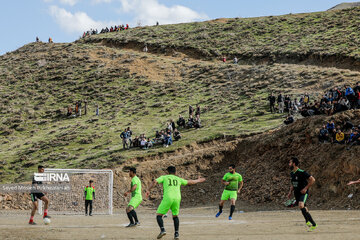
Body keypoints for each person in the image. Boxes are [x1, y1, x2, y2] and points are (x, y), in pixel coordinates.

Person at [145, 166, 205, 240]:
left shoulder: (164, 177)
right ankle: (176, 234)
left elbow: (154, 181)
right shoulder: (178, 179)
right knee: (175, 216)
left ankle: (163, 230)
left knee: (159, 215)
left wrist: (148, 189)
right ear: (175, 172)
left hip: (168, 197)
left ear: (167, 172)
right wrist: (198, 180)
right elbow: (190, 182)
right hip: (177, 198)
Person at [287, 157, 317, 231]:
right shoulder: (292, 173)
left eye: (290, 162)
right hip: (296, 193)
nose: (289, 164)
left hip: (303, 193)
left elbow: (312, 179)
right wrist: (290, 192)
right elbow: (293, 184)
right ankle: (310, 223)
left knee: (301, 205)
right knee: (304, 208)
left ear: (294, 164)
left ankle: (311, 223)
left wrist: (305, 188)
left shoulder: (302, 172)